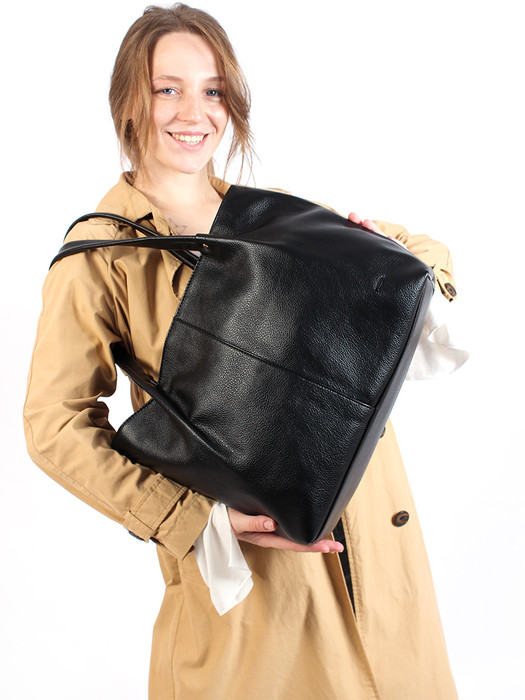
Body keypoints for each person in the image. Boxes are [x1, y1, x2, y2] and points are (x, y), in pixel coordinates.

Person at [24, 4, 459, 698]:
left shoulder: (270, 214)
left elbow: (421, 254)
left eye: (213, 90)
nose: (193, 112)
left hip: (377, 555)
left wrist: (380, 255)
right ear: (128, 101)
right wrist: (192, 520)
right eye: (167, 88)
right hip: (259, 591)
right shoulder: (100, 256)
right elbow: (54, 425)